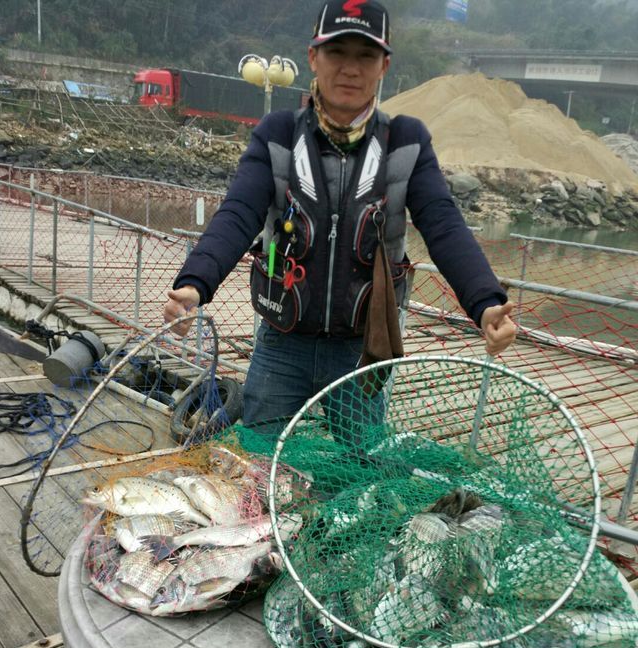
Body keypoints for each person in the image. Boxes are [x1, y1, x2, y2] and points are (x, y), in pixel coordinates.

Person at [164, 0, 516, 433]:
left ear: (383, 65)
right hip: (282, 345)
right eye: (337, 53)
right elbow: (238, 213)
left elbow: (443, 224)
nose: (351, 68)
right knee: (258, 463)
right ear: (314, 57)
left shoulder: (407, 142)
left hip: (363, 350)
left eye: (365, 55)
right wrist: (193, 283)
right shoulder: (277, 134)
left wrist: (485, 302)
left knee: (359, 471)